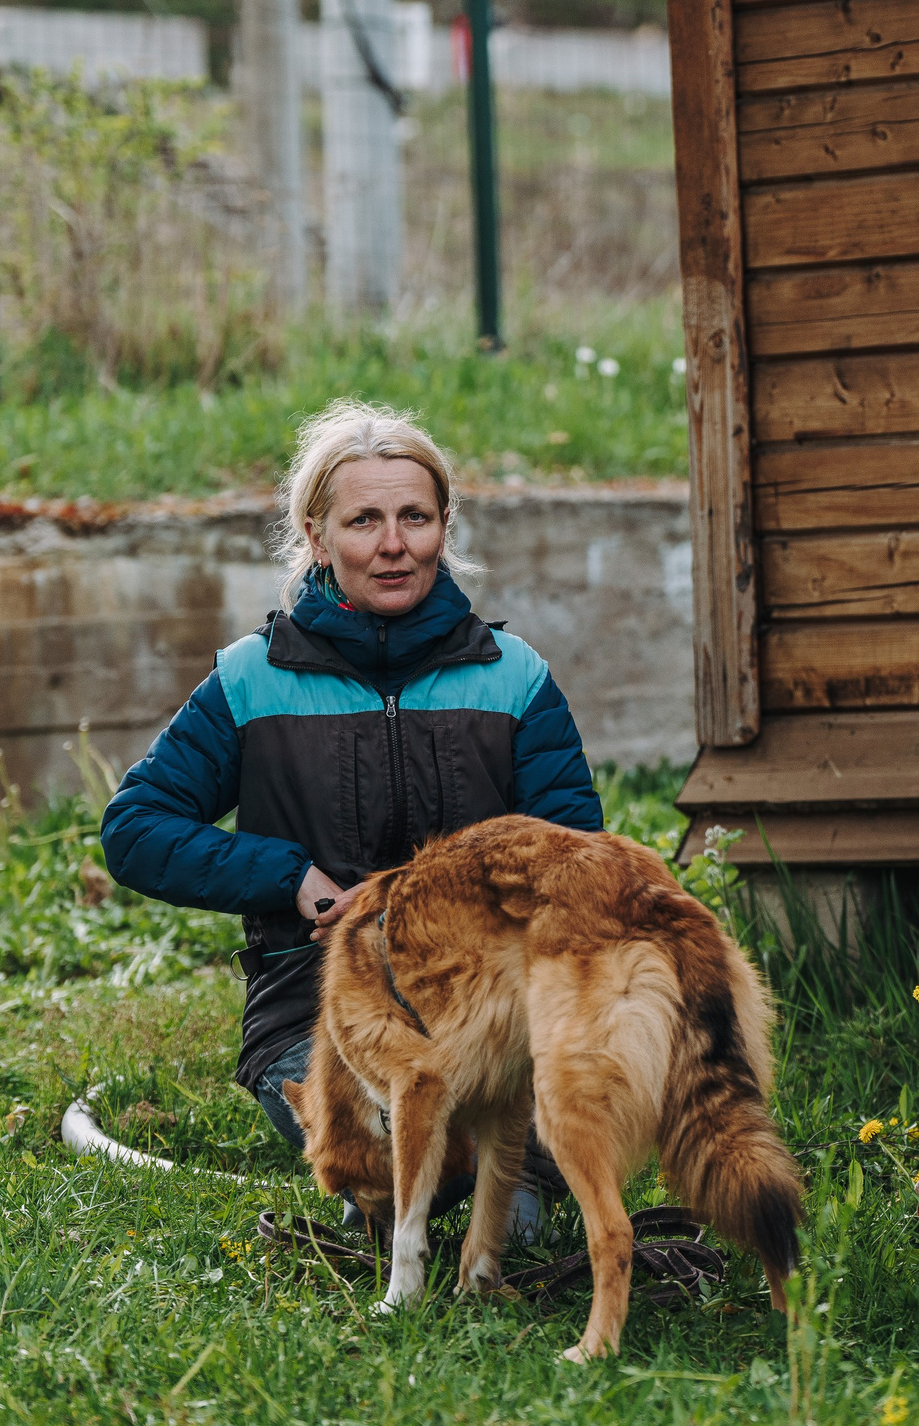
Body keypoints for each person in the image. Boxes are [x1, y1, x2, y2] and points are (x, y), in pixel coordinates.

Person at [101, 400, 603, 1232]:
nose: (393, 544)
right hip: (316, 1010)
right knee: (393, 1166)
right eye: (363, 520)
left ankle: (464, 1183)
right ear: (316, 535)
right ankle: (378, 1171)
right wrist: (281, 874)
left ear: (446, 525)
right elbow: (135, 828)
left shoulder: (516, 679)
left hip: (487, 1017)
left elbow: (578, 858)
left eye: (414, 516)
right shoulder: (249, 680)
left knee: (512, 1226)